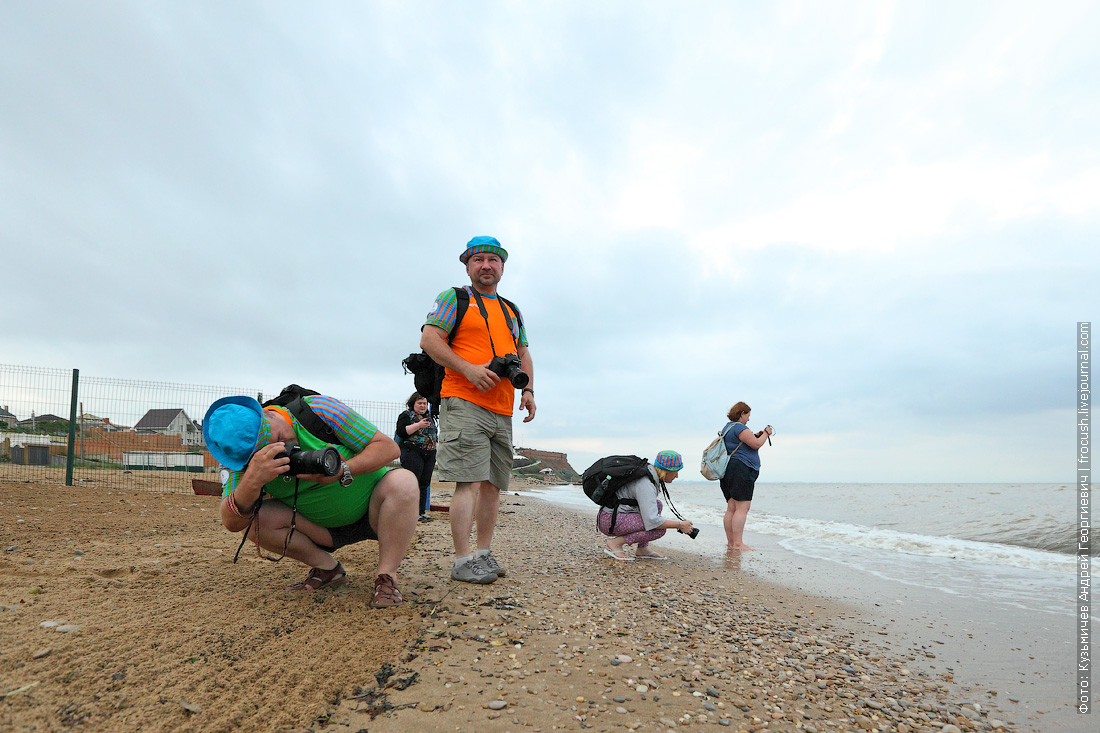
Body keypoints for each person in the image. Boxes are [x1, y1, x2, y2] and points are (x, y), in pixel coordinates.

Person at [202, 393, 419, 607]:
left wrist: (342, 470)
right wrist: (252, 479)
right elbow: (231, 522)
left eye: (278, 440)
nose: (283, 451)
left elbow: (389, 448)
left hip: (377, 513)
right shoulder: (241, 461)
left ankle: (386, 576)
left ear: (269, 414)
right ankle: (328, 569)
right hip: (320, 530)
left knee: (404, 481)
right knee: (253, 521)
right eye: (268, 453)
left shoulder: (318, 410)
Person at [420, 235, 536, 584]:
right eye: (478, 260)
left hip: (502, 408)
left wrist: (527, 388)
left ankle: (484, 553)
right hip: (464, 400)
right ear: (468, 266)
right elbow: (429, 339)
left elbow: (524, 351)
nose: (486, 265)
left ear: (502, 267)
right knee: (468, 483)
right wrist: (469, 369)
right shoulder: (454, 298)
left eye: (493, 260)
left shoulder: (511, 310)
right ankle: (462, 560)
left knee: (493, 486)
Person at [598, 451, 694, 561]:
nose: (677, 476)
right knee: (659, 530)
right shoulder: (646, 483)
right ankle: (615, 543)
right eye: (676, 472)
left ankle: (642, 549)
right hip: (609, 520)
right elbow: (652, 520)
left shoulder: (649, 475)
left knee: (657, 505)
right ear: (666, 471)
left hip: (612, 516)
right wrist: (680, 525)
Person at [720, 401, 773, 551]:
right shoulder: (739, 427)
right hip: (741, 469)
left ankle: (731, 542)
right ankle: (738, 543)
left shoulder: (727, 427)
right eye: (748, 415)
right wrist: (766, 433)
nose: (748, 419)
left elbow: (743, 441)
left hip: (728, 470)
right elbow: (756, 444)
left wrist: (755, 435)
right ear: (742, 413)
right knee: (742, 508)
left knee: (731, 507)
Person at [396, 392, 437, 522]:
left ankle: (421, 512)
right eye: (420, 403)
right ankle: (407, 512)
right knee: (412, 483)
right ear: (413, 404)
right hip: (412, 452)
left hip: (429, 454)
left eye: (424, 403)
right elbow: (402, 432)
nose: (423, 406)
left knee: (424, 483)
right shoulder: (406, 416)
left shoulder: (429, 418)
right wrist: (418, 425)